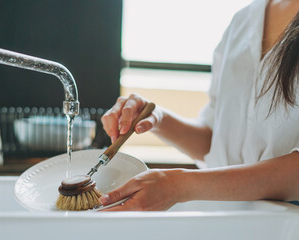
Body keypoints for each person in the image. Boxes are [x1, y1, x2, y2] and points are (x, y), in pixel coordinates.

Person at [98, 0, 299, 211]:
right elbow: (216, 143)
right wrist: (158, 118)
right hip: (232, 221)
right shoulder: (243, 21)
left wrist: (181, 185)